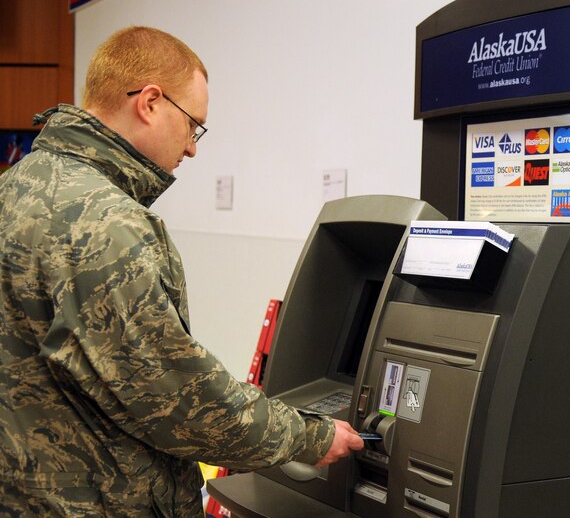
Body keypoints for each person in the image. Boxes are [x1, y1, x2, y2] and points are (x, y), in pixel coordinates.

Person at [0, 26, 364, 517]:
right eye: (194, 125)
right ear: (150, 102)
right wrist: (310, 436)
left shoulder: (17, 185)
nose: (193, 148)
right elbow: (178, 396)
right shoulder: (105, 222)